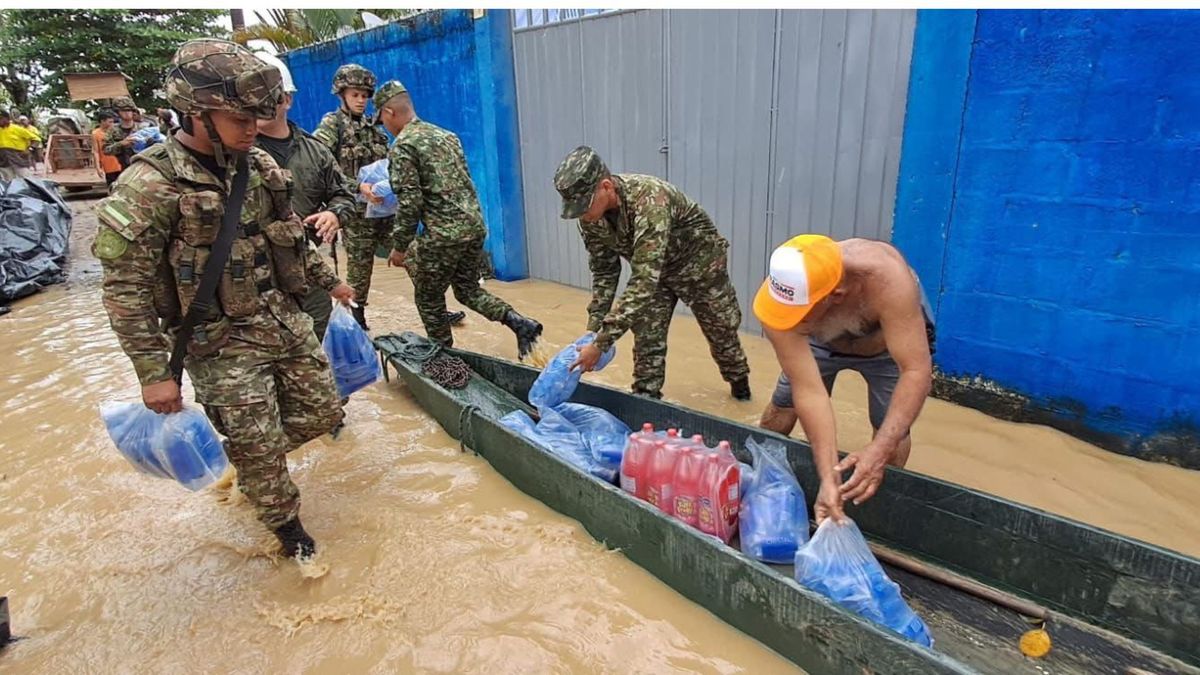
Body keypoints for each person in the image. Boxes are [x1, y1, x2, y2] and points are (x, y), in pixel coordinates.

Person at [92, 38, 355, 566]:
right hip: (218, 341)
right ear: (195, 112)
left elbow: (288, 235)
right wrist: (154, 374)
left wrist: (332, 283)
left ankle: (249, 459)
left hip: (282, 319)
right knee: (260, 445)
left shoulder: (256, 164)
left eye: (258, 116)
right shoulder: (150, 185)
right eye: (239, 118)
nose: (253, 127)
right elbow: (125, 289)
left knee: (324, 411)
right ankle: (289, 535)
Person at [754, 235, 935, 522]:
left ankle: (875, 508)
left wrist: (879, 450)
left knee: (891, 431)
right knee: (782, 407)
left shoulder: (888, 280)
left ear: (835, 296)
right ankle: (762, 483)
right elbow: (810, 392)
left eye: (799, 314)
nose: (790, 321)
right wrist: (828, 476)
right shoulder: (781, 298)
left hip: (886, 345)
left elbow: (915, 371)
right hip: (821, 340)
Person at [555, 146, 752, 401]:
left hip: (700, 268)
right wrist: (593, 332)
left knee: (721, 332)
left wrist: (601, 344)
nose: (582, 214)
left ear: (606, 186)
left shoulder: (649, 200)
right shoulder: (590, 220)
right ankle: (646, 402)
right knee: (647, 340)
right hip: (654, 275)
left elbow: (643, 281)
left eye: (585, 205)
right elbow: (605, 271)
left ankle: (740, 389)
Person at [374, 80, 543, 358]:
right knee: (467, 291)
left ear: (389, 112)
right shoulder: (447, 136)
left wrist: (400, 247)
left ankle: (444, 358)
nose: (384, 127)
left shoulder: (403, 145)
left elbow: (410, 201)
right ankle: (519, 323)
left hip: (443, 235)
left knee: (428, 296)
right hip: (473, 227)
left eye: (382, 120)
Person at [253, 51, 355, 340]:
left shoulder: (315, 151)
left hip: (307, 273)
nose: (259, 106)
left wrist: (334, 213)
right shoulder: (235, 154)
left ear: (287, 99)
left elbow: (344, 195)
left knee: (317, 350)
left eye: (268, 98)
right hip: (254, 281)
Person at [313, 64, 403, 331]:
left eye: (365, 95)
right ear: (342, 94)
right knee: (360, 273)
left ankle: (434, 306)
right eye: (355, 95)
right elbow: (321, 165)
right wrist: (357, 187)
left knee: (411, 253)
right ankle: (356, 322)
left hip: (385, 210)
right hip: (356, 215)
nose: (361, 100)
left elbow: (389, 163)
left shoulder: (375, 127)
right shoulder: (332, 125)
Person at [0, 109, 41, 181]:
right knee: (8, 182)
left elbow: (36, 139)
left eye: (1, 118)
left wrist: (30, 149)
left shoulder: (17, 129)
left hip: (19, 160)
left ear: (7, 118)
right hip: (4, 162)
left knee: (27, 179)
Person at [102, 96, 140, 172]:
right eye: (123, 110)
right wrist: (121, 144)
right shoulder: (112, 130)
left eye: (129, 110)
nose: (127, 113)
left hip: (142, 167)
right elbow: (106, 150)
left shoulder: (143, 128)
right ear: (117, 113)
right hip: (123, 168)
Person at [91, 111, 123, 188]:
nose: (112, 124)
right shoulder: (95, 134)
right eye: (110, 122)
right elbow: (96, 151)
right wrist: (98, 168)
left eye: (113, 122)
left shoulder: (116, 132)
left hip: (121, 163)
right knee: (112, 187)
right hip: (108, 165)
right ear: (102, 121)